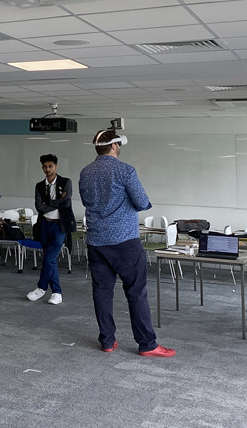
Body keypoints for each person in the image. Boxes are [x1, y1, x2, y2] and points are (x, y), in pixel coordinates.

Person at [78, 129, 176, 358]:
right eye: (119, 145)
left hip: (96, 241)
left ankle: (107, 340)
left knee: (102, 292)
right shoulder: (125, 170)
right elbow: (142, 202)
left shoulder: (85, 172)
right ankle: (147, 344)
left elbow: (86, 200)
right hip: (125, 242)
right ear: (114, 146)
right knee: (136, 292)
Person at [26, 154, 76, 305]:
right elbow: (39, 207)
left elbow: (66, 203)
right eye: (45, 166)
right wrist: (56, 202)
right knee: (50, 259)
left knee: (49, 258)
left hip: (59, 225)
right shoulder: (39, 186)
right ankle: (56, 292)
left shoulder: (66, 182)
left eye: (50, 166)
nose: (48, 169)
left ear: (56, 167)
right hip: (44, 224)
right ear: (42, 167)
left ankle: (41, 288)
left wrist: (48, 202)